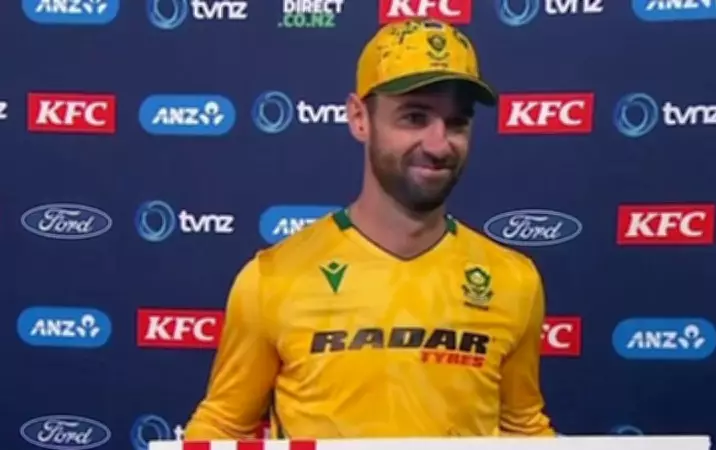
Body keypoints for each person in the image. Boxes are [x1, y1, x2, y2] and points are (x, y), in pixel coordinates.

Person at [184, 18, 556, 439]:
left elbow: (523, 429)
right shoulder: (273, 279)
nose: (439, 144)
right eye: (415, 117)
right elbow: (221, 426)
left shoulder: (512, 280)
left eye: (457, 122)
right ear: (359, 118)